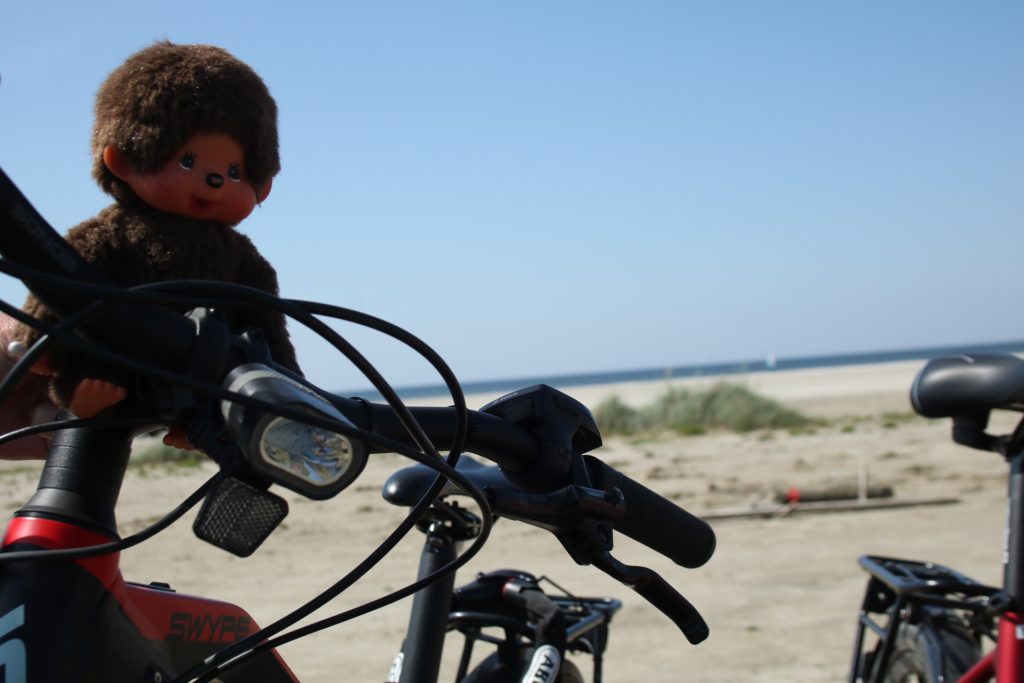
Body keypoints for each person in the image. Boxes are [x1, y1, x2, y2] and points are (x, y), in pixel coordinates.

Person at [2, 41, 299, 457]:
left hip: (200, 373)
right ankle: (79, 405)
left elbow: (266, 321)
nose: (214, 181)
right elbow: (64, 269)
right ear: (124, 159)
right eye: (188, 161)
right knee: (98, 347)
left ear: (261, 186)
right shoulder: (112, 232)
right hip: (113, 355)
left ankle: (195, 428)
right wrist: (38, 338)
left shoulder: (242, 258)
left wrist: (290, 386)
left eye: (233, 172)